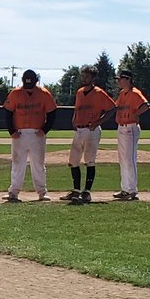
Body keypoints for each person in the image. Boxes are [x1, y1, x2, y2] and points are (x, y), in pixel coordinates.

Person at [62, 66, 116, 203]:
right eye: (83, 76)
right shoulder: (80, 92)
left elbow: (112, 108)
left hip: (91, 130)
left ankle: (86, 192)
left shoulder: (98, 92)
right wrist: (74, 118)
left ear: (93, 78)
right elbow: (77, 108)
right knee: (73, 161)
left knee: (89, 161)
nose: (84, 78)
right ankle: (76, 190)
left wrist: (98, 122)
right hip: (79, 130)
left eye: (87, 76)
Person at [2, 69, 57, 202]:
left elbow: (52, 113)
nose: (29, 88)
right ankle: (13, 192)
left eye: (31, 84)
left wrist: (45, 129)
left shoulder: (44, 94)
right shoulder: (15, 93)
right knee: (17, 163)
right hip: (19, 133)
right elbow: (8, 112)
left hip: (37, 133)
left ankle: (42, 192)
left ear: (36, 81)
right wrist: (11, 131)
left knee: (38, 163)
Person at [112, 70, 149, 201]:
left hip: (131, 128)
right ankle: (125, 189)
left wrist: (136, 114)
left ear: (127, 79)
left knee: (130, 159)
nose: (118, 81)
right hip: (121, 127)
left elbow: (145, 105)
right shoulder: (122, 93)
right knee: (122, 159)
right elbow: (116, 107)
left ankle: (132, 190)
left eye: (120, 79)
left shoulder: (135, 93)